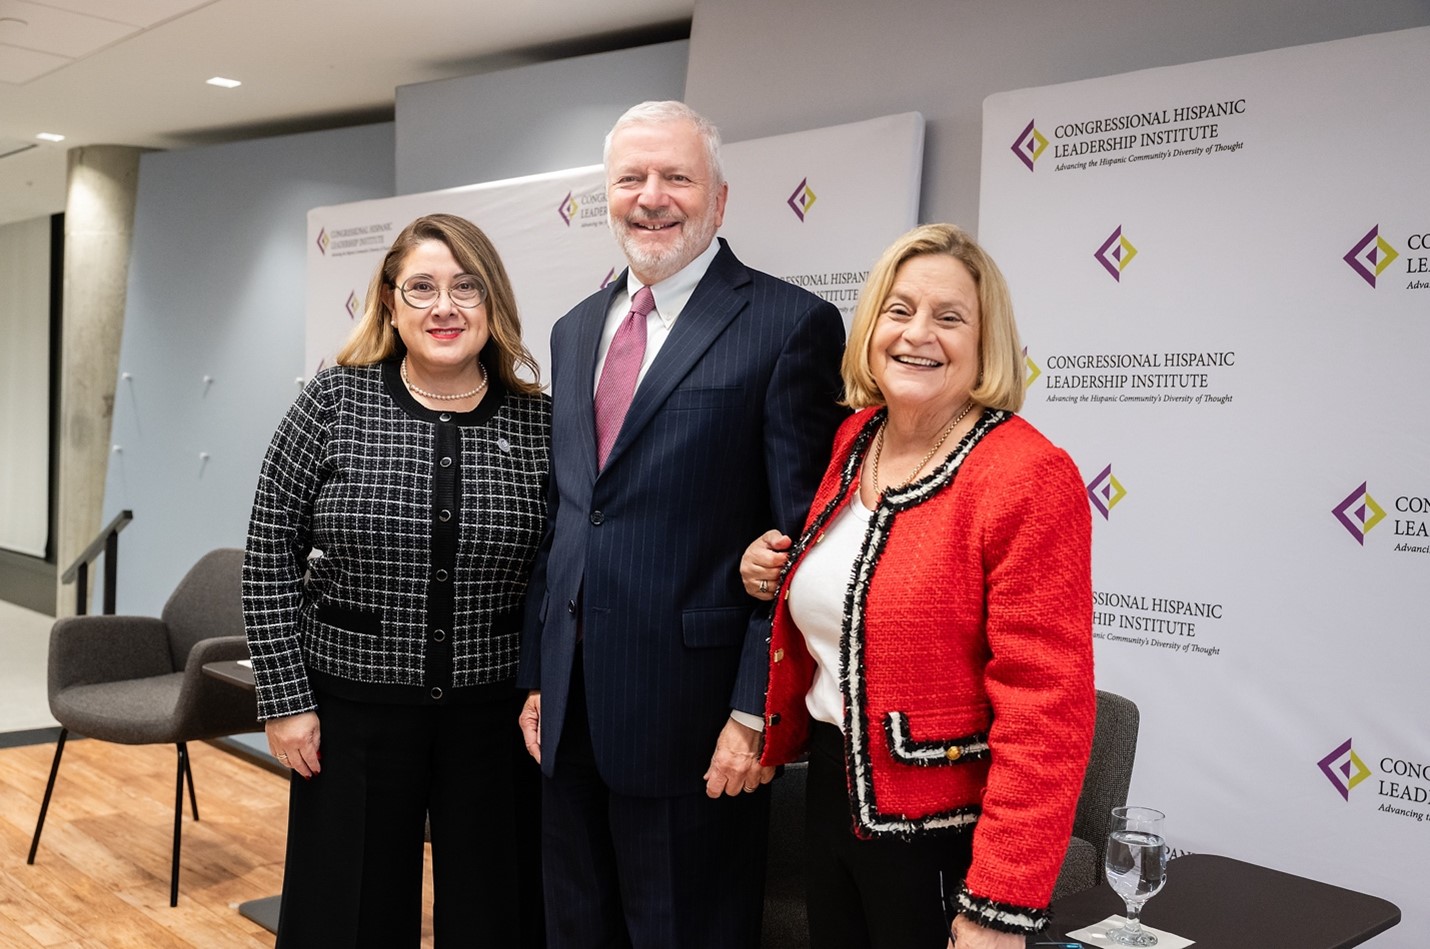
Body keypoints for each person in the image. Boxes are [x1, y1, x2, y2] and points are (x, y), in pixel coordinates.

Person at [516, 101, 847, 948]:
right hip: (570, 713)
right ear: (608, 194)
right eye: (631, 178)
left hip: (697, 725)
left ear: (721, 199)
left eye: (676, 177)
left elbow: (797, 544)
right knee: (574, 927)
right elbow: (569, 516)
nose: (651, 197)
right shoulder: (574, 328)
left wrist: (753, 711)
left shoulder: (787, 326)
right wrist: (538, 672)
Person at [740, 223, 1095, 949]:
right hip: (833, 797)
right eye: (898, 311)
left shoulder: (1027, 474)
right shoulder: (859, 437)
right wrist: (770, 569)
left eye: (949, 317)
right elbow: (856, 594)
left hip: (943, 832)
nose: (917, 334)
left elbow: (1047, 711)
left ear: (985, 341)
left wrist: (999, 902)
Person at [244, 213, 549, 947]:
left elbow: (563, 570)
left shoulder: (543, 424)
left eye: (464, 287)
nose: (444, 306)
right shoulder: (334, 403)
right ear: (389, 302)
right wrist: (286, 701)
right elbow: (267, 557)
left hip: (495, 719)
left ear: (493, 302)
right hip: (350, 718)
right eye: (422, 287)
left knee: (497, 910)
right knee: (344, 911)